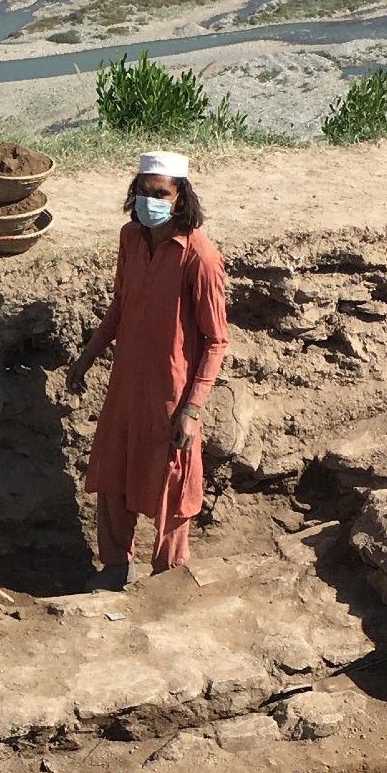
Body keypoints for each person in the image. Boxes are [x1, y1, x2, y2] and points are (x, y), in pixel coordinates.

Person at [65, 150, 227, 590]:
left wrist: (192, 409)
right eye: (143, 191)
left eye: (161, 193)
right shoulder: (130, 239)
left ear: (179, 198)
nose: (149, 200)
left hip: (171, 392)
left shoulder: (201, 258)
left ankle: (169, 578)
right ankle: (116, 565)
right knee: (115, 471)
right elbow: (121, 304)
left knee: (172, 483)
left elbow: (216, 341)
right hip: (126, 384)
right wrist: (88, 356)